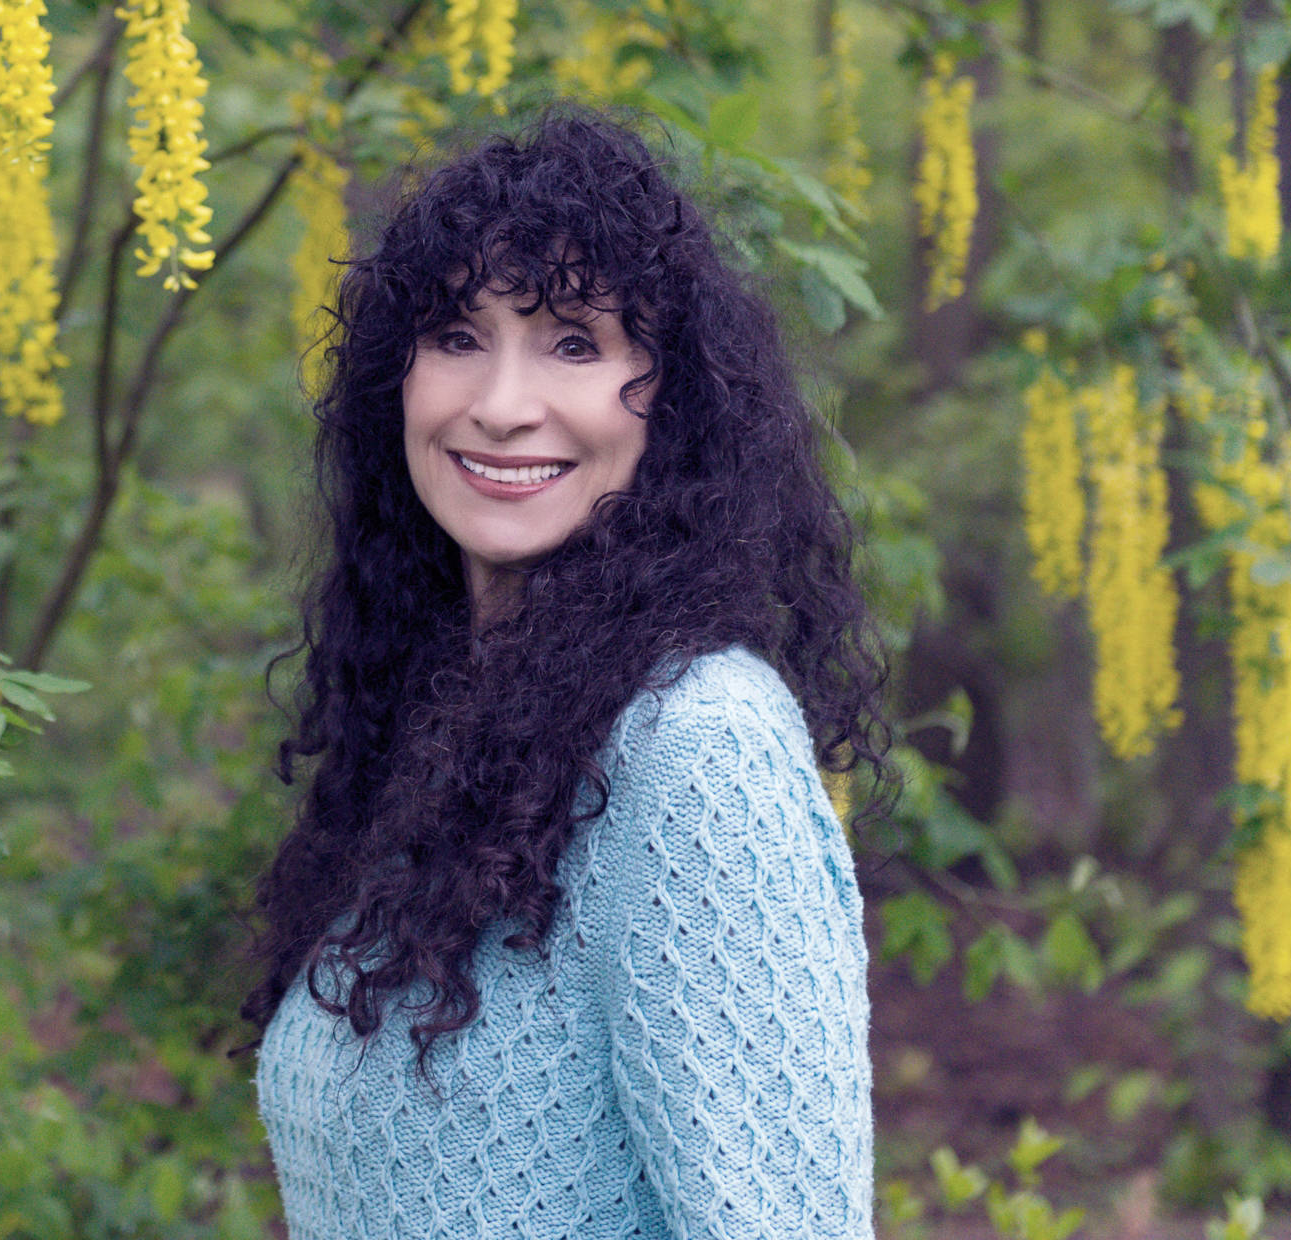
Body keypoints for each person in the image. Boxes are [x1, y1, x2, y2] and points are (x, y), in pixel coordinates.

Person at [245, 109, 891, 1240]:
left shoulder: (698, 743)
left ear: (672, 403)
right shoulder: (446, 721)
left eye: (575, 342)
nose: (499, 403)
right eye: (455, 334)